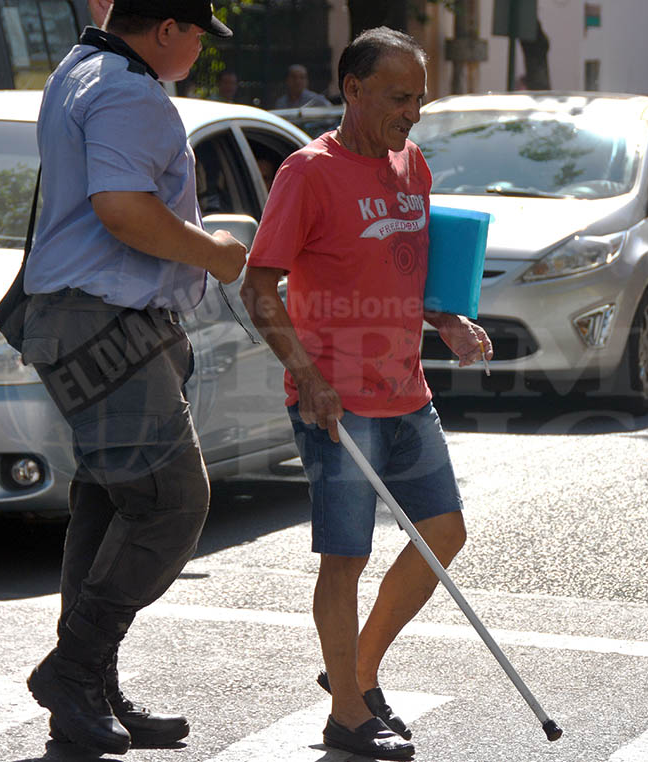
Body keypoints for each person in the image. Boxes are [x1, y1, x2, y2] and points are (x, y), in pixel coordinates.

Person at [240, 27, 492, 761]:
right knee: (344, 558)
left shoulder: (412, 165)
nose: (412, 112)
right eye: (398, 97)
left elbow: (406, 275)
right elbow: (259, 288)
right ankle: (347, 719)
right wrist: (309, 379)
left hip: (404, 389)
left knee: (444, 534)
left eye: (419, 97)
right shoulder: (306, 173)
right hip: (335, 402)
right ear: (353, 90)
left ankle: (357, 674)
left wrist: (447, 321)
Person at [22, 0, 247, 755]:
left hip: (82, 320)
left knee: (108, 500)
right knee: (170, 501)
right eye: (196, 37)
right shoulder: (130, 90)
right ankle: (74, 672)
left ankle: (88, 693)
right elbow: (122, 209)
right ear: (167, 30)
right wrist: (213, 252)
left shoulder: (79, 67)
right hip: (106, 323)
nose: (199, 52)